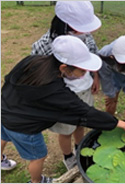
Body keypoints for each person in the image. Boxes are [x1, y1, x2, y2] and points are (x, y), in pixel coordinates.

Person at [1, 36, 125, 183]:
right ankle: (36, 181)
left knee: (3, 136)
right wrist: (120, 123)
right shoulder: (54, 90)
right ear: (63, 67)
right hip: (23, 126)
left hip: (5, 109)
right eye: (82, 70)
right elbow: (83, 111)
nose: (85, 72)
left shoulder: (33, 60)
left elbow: (9, 78)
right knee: (38, 157)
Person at [31, 1, 101, 170]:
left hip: (83, 89)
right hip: (64, 96)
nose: (87, 30)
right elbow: (36, 67)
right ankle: (68, 156)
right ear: (67, 24)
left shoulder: (86, 36)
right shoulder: (47, 43)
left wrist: (95, 76)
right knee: (66, 129)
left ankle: (80, 146)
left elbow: (93, 53)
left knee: (81, 122)